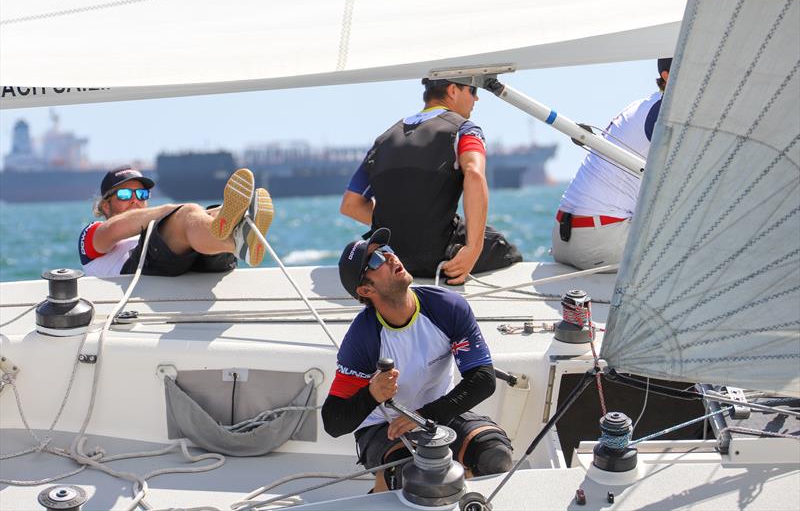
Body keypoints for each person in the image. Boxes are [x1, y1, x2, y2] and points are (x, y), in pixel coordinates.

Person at [321, 228, 513, 493]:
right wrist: (372, 394)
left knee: (495, 456)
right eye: (375, 260)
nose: (389, 257)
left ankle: (454, 486)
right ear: (366, 289)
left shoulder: (448, 307)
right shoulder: (362, 339)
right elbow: (333, 421)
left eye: (386, 250)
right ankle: (383, 490)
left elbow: (482, 379)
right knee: (413, 475)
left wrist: (425, 416)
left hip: (437, 413)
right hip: (383, 426)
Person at [340, 78, 522, 285]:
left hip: (390, 259)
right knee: (506, 250)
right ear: (453, 90)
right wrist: (473, 248)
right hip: (441, 257)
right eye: (472, 91)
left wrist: (401, 223)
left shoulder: (383, 140)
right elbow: (474, 173)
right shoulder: (465, 130)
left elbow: (350, 205)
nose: (476, 98)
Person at [551, 58, 672, 270]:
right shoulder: (665, 112)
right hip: (598, 243)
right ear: (667, 76)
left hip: (563, 238)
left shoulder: (639, 106)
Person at [78, 166, 273, 278]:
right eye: (124, 194)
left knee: (205, 220)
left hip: (200, 264)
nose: (135, 199)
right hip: (138, 273)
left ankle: (237, 236)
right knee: (189, 215)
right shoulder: (93, 234)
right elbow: (116, 228)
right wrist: (179, 210)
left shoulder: (159, 223)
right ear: (105, 206)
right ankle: (237, 243)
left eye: (141, 193)